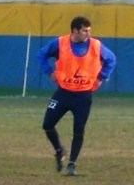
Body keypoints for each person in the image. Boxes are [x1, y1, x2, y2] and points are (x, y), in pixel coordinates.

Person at [39, 15, 116, 176]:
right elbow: (41, 54)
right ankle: (59, 150)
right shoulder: (60, 43)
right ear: (75, 30)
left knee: (79, 130)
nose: (88, 34)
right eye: (85, 31)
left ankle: (72, 164)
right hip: (63, 93)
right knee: (47, 124)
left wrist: (102, 77)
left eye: (89, 31)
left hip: (83, 96)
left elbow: (111, 59)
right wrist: (49, 71)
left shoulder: (95, 45)